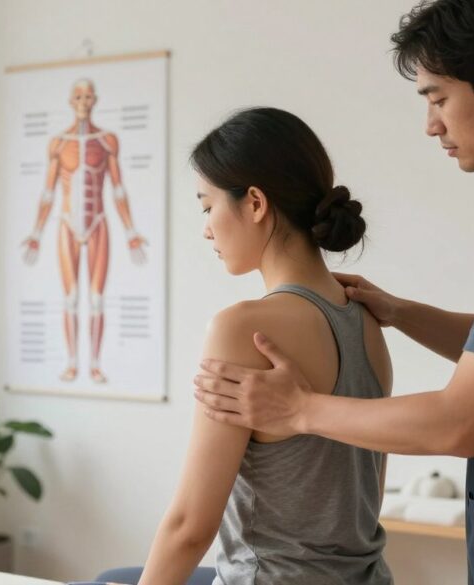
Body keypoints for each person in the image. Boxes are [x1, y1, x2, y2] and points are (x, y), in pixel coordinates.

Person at [193, 2, 474, 584]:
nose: (431, 124)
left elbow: (458, 424)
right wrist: (404, 313)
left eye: (438, 99)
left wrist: (299, 409)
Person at [139, 107, 393, 585]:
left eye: (206, 206)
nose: (206, 228)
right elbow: (364, 503)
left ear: (255, 203)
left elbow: (191, 526)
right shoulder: (368, 322)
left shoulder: (242, 329)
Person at [21, 78, 148, 384]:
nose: (83, 101)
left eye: (88, 96)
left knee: (96, 299)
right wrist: (36, 233)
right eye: (78, 96)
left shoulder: (107, 141)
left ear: (95, 100)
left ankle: (93, 364)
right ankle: (71, 363)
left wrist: (131, 231)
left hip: (98, 222)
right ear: (70, 100)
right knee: (70, 297)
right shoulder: (59, 143)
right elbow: (48, 192)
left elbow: (118, 188)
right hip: (66, 224)